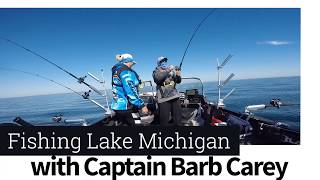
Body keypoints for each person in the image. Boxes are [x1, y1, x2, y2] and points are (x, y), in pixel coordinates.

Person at [111, 53, 148, 126]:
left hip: (117, 106)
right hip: (126, 106)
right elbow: (130, 90)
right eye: (132, 62)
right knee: (136, 125)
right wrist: (142, 105)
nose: (132, 64)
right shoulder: (125, 71)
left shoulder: (116, 70)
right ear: (128, 61)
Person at [152, 56, 182, 126]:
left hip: (175, 96)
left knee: (178, 119)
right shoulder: (156, 71)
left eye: (165, 61)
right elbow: (158, 79)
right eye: (162, 61)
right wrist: (168, 70)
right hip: (163, 99)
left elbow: (178, 81)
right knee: (164, 120)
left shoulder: (172, 71)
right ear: (158, 63)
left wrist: (178, 75)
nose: (164, 62)